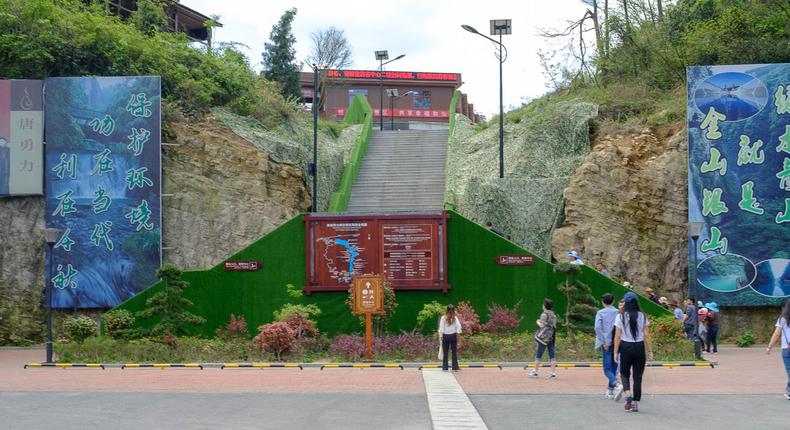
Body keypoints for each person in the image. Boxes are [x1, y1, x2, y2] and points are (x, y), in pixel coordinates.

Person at [614, 292, 654, 413]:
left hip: (626, 347)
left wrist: (615, 352)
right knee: (638, 376)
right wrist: (650, 350)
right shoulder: (642, 316)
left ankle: (628, 395)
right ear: (636, 302)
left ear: (625, 302)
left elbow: (617, 336)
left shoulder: (620, 316)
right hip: (639, 347)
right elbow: (646, 334)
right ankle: (635, 403)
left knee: (624, 373)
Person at [595, 293, 620, 398]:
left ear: (602, 302)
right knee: (614, 366)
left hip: (606, 343)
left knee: (606, 368)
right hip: (617, 342)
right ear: (613, 301)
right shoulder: (618, 312)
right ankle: (610, 390)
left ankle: (616, 384)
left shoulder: (600, 313)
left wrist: (603, 341)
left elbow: (597, 327)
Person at [766, 299, 790, 400]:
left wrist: (769, 347)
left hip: (786, 348)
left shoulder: (782, 319)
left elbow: (776, 334)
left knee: (789, 370)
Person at [529, 299, 558, 379]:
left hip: (544, 338)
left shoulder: (544, 314)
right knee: (552, 355)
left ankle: (535, 372)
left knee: (539, 354)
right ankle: (553, 374)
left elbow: (541, 326)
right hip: (551, 337)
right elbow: (554, 326)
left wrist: (537, 321)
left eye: (543, 304)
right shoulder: (553, 315)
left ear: (545, 306)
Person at [439, 304, 462, 371]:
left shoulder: (443, 317)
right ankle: (455, 367)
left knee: (445, 353)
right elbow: (458, 328)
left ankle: (445, 367)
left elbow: (441, 328)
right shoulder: (455, 318)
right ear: (453, 310)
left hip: (445, 336)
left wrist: (440, 337)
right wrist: (459, 339)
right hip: (453, 336)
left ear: (447, 310)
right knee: (454, 352)